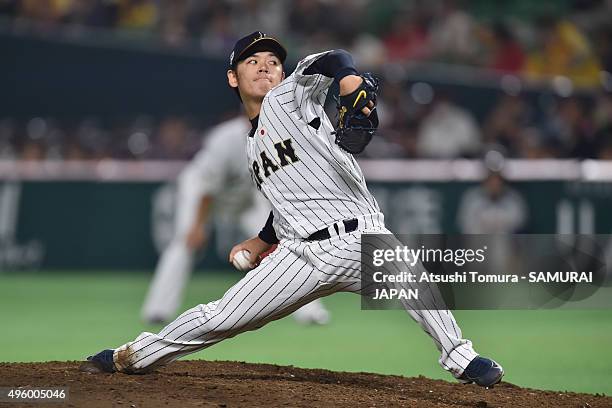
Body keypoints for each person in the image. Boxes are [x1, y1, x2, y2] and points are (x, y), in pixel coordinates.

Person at [80, 31, 503, 388]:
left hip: (360, 237)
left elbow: (335, 59)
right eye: (252, 61)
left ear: (283, 73)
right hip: (301, 255)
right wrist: (261, 240)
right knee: (220, 318)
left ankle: (462, 358)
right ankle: (131, 356)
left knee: (412, 277)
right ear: (232, 77)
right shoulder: (250, 144)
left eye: (272, 61)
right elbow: (284, 203)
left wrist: (350, 79)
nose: (265, 66)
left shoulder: (291, 96)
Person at [142, 115, 330, 325]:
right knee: (184, 244)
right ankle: (157, 309)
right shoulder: (226, 138)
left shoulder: (278, 134)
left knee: (284, 245)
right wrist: (197, 226)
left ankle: (309, 311)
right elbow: (208, 189)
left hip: (245, 196)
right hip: (202, 191)